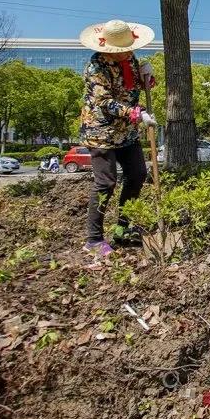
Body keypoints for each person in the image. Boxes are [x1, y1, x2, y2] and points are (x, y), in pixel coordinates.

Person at [78, 19, 157, 257]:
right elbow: (104, 102)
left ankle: (124, 227)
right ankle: (94, 240)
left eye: (129, 48)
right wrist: (136, 114)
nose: (128, 53)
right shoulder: (96, 67)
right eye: (123, 50)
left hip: (126, 131)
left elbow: (132, 87)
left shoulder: (130, 58)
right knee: (106, 183)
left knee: (138, 174)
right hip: (101, 132)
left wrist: (147, 77)